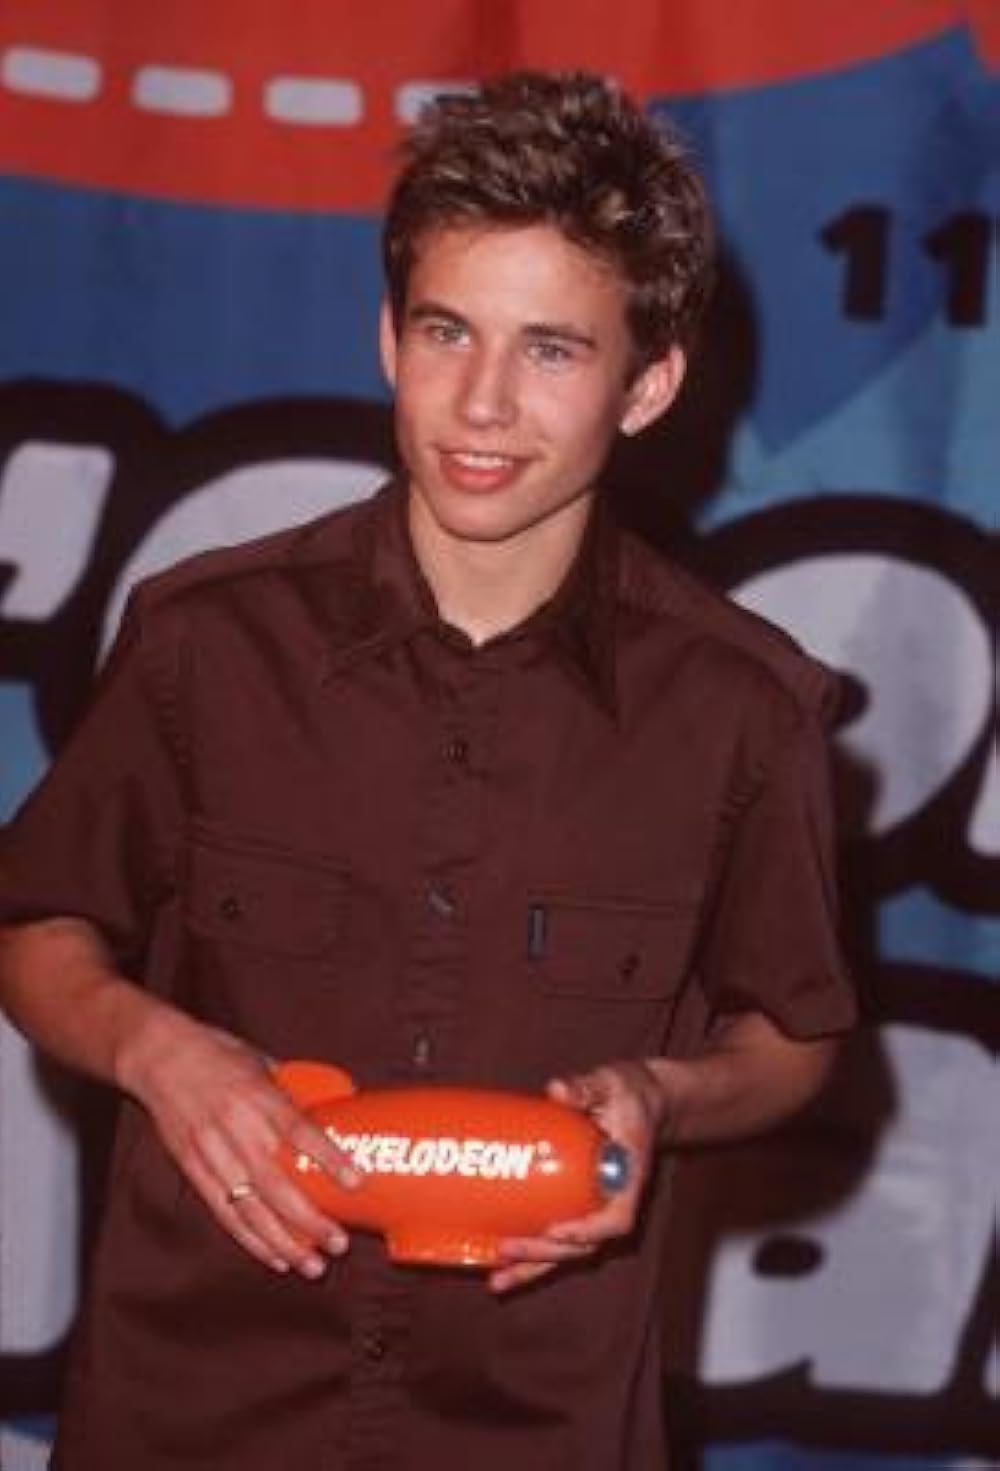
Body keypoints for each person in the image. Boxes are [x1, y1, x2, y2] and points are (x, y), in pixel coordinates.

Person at [0, 70, 855, 1470]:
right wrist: (155, 1049)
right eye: (449, 330)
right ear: (389, 339)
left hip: (539, 1424)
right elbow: (38, 931)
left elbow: (793, 1039)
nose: (484, 402)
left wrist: (660, 1101)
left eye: (552, 351)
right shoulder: (203, 639)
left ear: (648, 385)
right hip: (188, 1407)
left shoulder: (743, 709)